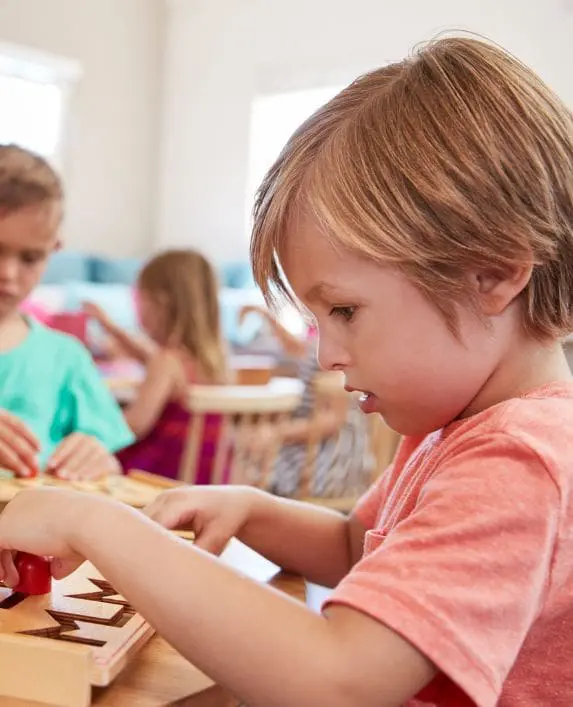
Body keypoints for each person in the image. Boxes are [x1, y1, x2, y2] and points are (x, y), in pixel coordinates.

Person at [1, 35, 573, 706]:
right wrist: (248, 507)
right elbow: (357, 543)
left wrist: (94, 523)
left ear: (493, 274)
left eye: (344, 310)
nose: (325, 355)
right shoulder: (453, 425)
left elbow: (337, 679)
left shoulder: (518, 458)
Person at [0, 144, 133, 480]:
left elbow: (110, 469)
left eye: (30, 258)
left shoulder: (66, 359)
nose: (8, 274)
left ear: (53, 250)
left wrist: (100, 462)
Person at [84, 249, 230, 481]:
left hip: (160, 475)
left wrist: (93, 423)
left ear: (160, 304)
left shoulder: (166, 361)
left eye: (140, 299)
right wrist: (110, 326)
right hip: (205, 478)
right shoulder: (212, 361)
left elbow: (135, 425)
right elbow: (148, 357)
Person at [240, 304, 371, 498]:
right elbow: (294, 346)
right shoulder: (317, 341)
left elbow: (332, 421)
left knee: (258, 458)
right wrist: (266, 316)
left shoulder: (333, 350)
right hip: (316, 445)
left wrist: (278, 433)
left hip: (331, 458)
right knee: (252, 451)